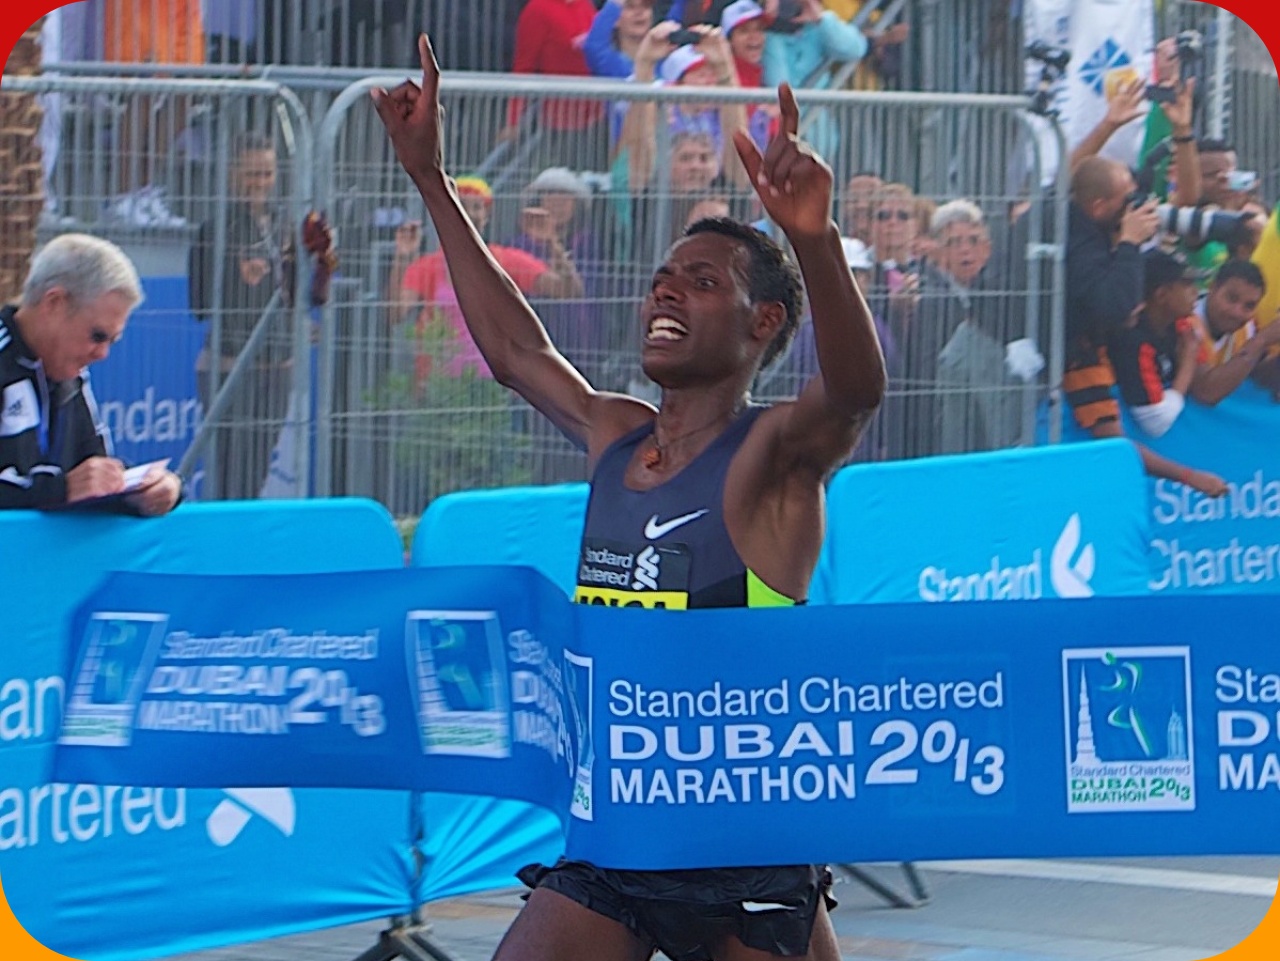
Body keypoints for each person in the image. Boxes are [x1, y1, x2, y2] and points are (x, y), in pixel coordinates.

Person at [374, 34, 884, 961]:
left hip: (742, 845)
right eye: (663, 275)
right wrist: (430, 176)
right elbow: (518, 354)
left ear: (762, 322)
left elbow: (851, 394)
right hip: (620, 829)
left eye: (702, 280)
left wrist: (811, 238)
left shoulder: (771, 453)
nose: (667, 288)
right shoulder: (617, 434)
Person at [1063, 156, 1224, 495]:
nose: (1196, 294)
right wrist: (1190, 477)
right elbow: (1119, 441)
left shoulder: (1170, 328)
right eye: (1126, 200)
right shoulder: (1090, 347)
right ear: (1159, 295)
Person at [193, 132, 334, 500]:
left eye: (267, 174)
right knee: (227, 472)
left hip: (277, 369)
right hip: (228, 367)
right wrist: (239, 280)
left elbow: (300, 296)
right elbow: (199, 304)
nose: (260, 183)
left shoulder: (286, 225)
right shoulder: (214, 227)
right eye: (252, 174)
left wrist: (321, 268)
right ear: (232, 173)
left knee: (257, 470)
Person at [0, 233, 182, 514]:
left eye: (112, 340)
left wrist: (150, 489)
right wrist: (60, 489)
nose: (102, 354)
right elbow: (66, 486)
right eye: (97, 336)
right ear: (54, 304)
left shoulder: (70, 372)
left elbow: (93, 470)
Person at [387, 176, 581, 384]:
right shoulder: (428, 267)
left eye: (476, 207)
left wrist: (552, 243)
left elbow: (568, 291)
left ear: (486, 215)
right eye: (461, 206)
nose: (469, 213)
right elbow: (396, 313)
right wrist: (402, 256)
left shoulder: (506, 260)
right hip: (438, 384)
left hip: (497, 384)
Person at [1186, 259, 1280, 405]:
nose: (1237, 312)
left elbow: (1255, 378)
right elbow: (1205, 393)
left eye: (1249, 306)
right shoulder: (1185, 323)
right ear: (1212, 287)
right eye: (1231, 298)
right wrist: (1260, 341)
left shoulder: (1247, 327)